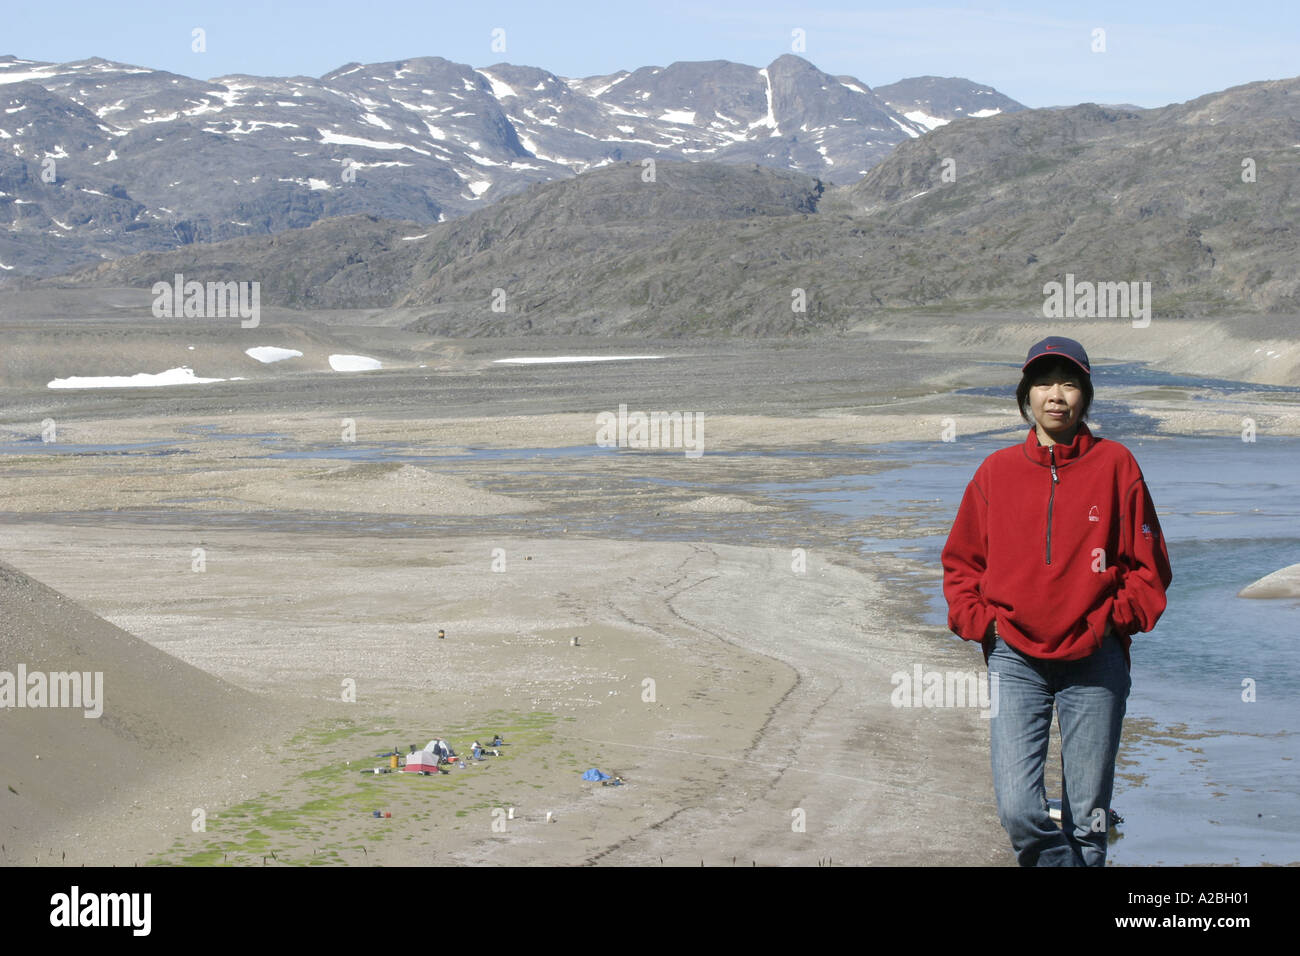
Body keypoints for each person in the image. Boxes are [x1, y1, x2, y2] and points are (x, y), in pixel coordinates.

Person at [941, 336, 1172, 866]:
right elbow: (961, 563)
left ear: (1085, 395)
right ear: (1027, 395)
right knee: (1020, 810)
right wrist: (982, 624)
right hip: (1014, 659)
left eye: (1069, 383)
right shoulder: (995, 471)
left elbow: (1149, 566)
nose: (1056, 395)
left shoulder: (1117, 465)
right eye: (1044, 383)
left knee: (1088, 819)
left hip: (1096, 659)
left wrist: (1114, 619)